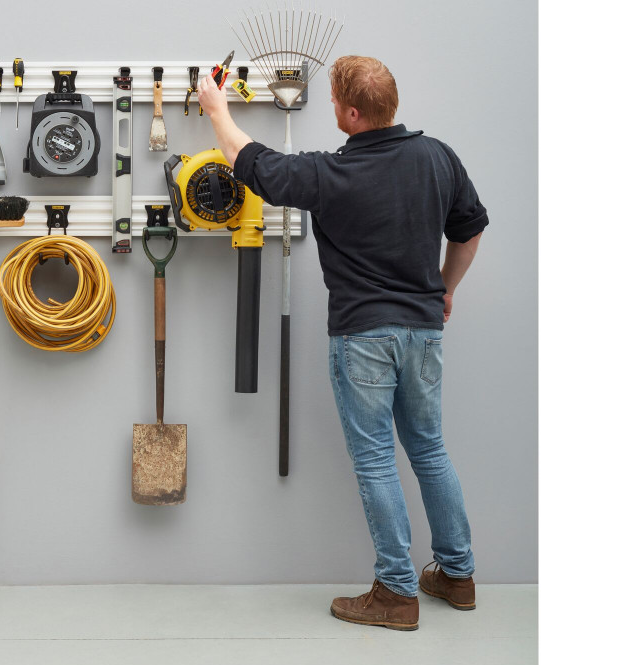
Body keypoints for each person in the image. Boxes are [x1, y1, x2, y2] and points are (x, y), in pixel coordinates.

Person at [197, 55, 488, 632]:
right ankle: (457, 576)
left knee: (376, 460)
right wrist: (445, 289)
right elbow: (470, 228)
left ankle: (397, 592)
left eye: (333, 100)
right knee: (429, 450)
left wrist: (216, 109)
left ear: (352, 114)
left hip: (363, 338)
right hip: (423, 332)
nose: (330, 106)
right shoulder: (438, 157)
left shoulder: (330, 174)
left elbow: (253, 164)